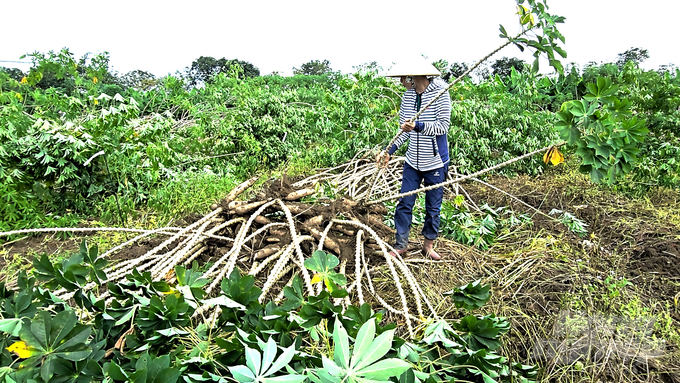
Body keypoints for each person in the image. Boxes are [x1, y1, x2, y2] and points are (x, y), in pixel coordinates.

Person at [378, 59, 451, 260]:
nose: (401, 80)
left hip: (435, 161)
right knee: (404, 202)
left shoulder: (440, 94)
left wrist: (418, 126)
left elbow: (443, 127)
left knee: (433, 207)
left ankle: (428, 245)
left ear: (414, 76)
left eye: (404, 77)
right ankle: (401, 245)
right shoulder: (408, 97)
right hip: (412, 161)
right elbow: (404, 130)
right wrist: (389, 150)